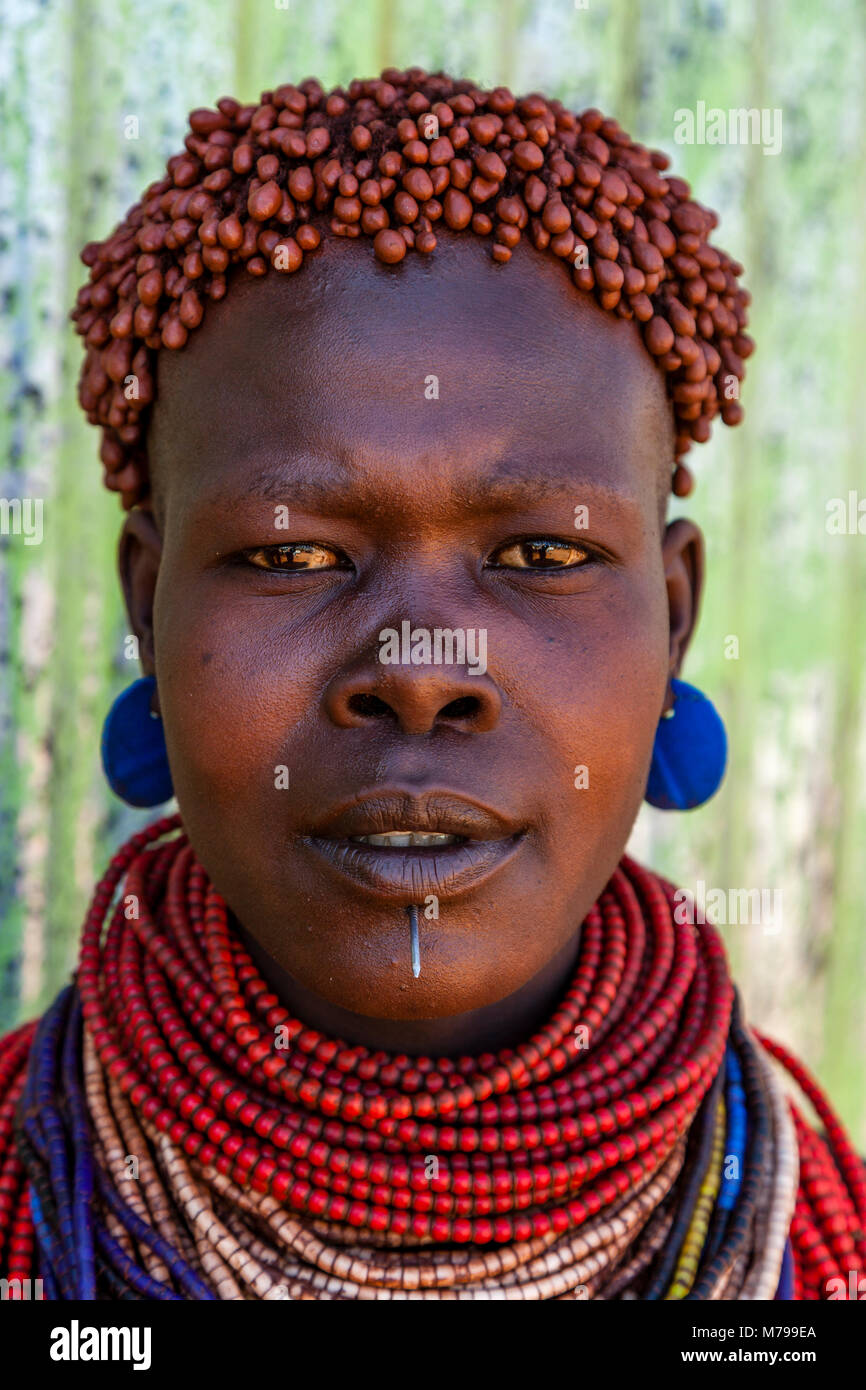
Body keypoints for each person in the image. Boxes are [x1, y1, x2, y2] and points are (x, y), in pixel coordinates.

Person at [0, 67, 862, 1301]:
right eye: (293, 554)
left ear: (673, 618)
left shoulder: (818, 1246)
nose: (419, 676)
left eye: (543, 555)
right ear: (148, 603)